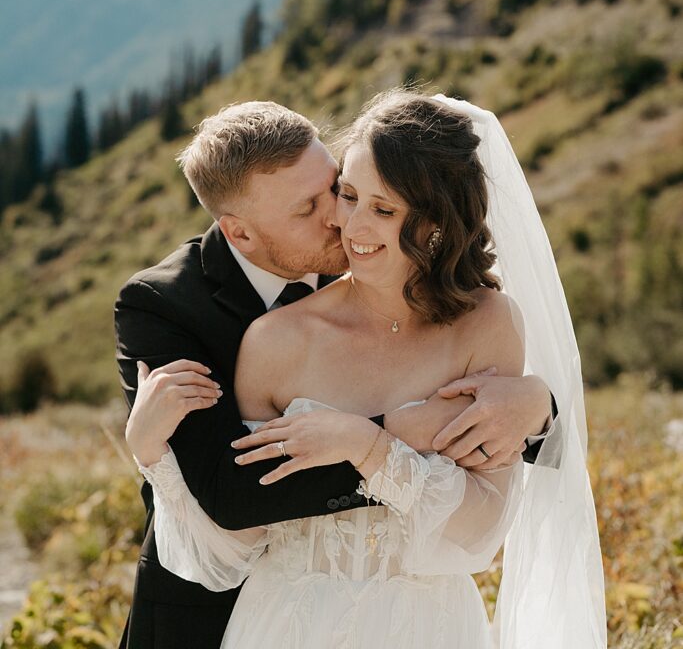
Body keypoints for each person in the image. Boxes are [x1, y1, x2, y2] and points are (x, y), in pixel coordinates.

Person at [125, 93, 604, 648]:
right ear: (242, 232)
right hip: (280, 623)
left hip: (429, 627)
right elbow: (238, 515)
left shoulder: (488, 323)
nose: (344, 222)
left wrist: (537, 406)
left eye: (380, 207)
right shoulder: (249, 331)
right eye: (345, 197)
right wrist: (151, 455)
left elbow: (480, 530)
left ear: (435, 223)